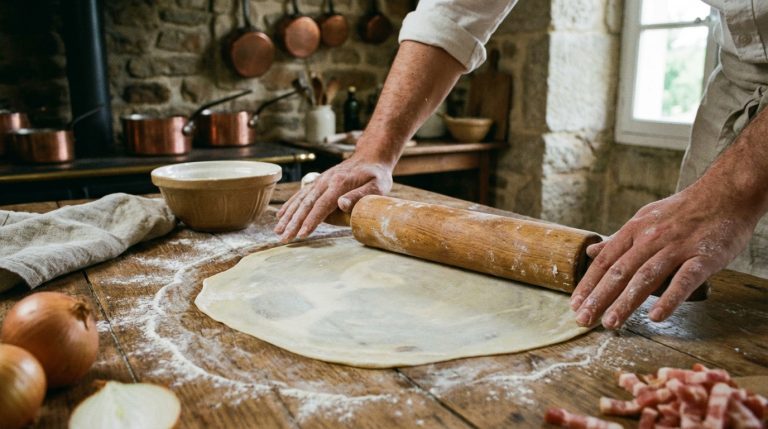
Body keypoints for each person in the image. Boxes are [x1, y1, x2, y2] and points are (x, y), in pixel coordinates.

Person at [275, 0, 768, 330]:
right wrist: (374, 151)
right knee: (703, 321)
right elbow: (456, 8)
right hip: (743, 80)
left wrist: (730, 195)